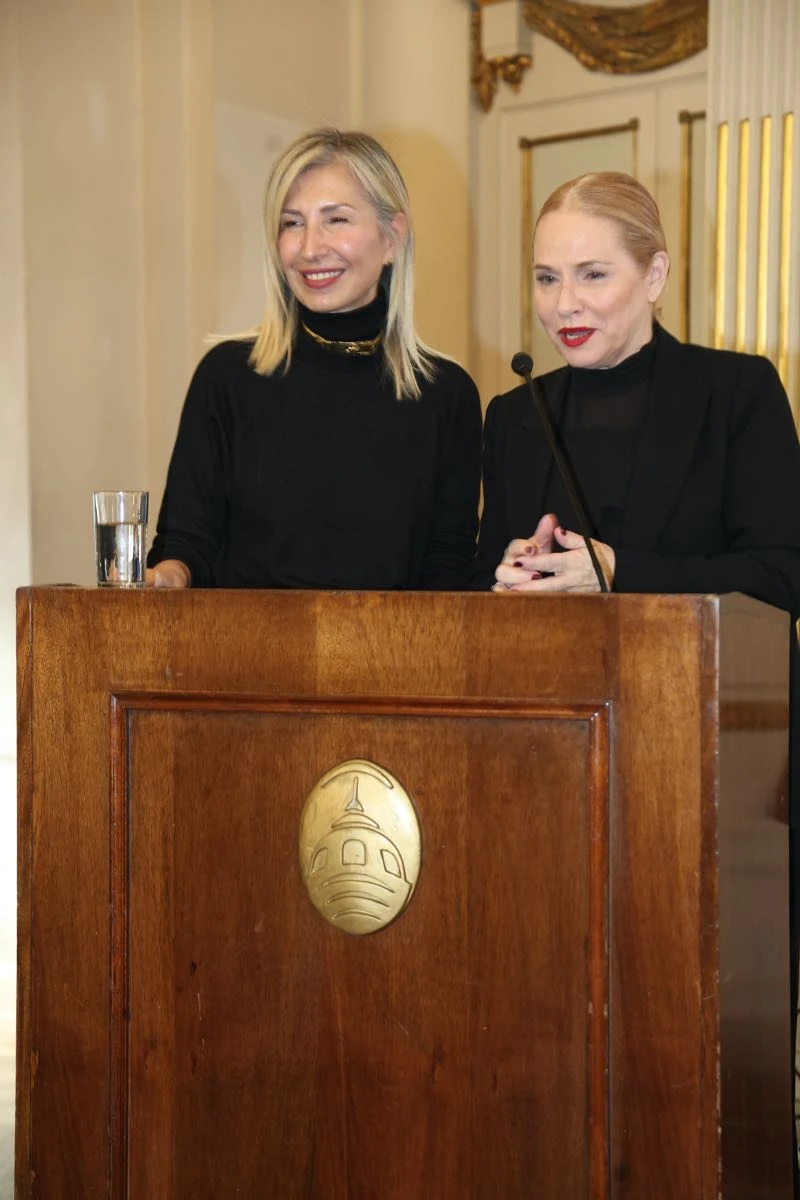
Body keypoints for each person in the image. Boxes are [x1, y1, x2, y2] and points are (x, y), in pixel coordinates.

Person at [471, 169, 800, 1191]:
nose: (563, 303)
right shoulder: (512, 411)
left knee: (684, 1045)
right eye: (544, 276)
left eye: (591, 275)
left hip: (707, 763)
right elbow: (476, 582)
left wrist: (621, 573)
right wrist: (505, 581)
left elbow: (782, 572)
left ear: (654, 275)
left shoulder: (737, 392)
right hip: (548, 766)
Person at [147, 128, 481, 591]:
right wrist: (166, 576)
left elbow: (448, 568)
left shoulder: (447, 395)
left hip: (391, 660)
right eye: (292, 223)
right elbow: (186, 544)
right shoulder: (228, 377)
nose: (308, 248)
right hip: (241, 658)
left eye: (336, 220)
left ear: (393, 237)